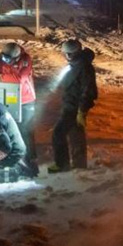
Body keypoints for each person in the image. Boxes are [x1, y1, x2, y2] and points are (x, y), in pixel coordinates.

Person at [0, 42, 38, 175]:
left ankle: (30, 165)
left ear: (16, 57)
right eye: (4, 57)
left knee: (24, 131)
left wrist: (0, 77)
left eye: (8, 59)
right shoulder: (1, 60)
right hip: (7, 101)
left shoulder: (25, 60)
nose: (5, 61)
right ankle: (10, 162)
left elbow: (19, 80)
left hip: (25, 101)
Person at [48, 39, 98, 173]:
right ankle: (79, 165)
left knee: (58, 133)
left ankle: (62, 164)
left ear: (78, 52)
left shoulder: (84, 67)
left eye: (71, 54)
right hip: (70, 104)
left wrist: (81, 111)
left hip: (74, 107)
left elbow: (89, 91)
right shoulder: (75, 64)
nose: (68, 56)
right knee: (76, 135)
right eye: (66, 53)